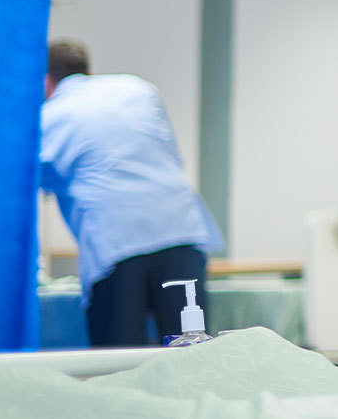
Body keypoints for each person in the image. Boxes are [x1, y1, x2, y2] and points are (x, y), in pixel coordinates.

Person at [40, 40, 225, 346]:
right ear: (91, 72)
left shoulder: (50, 116)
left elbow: (32, 180)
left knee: (119, 360)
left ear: (46, 81)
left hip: (118, 245)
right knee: (192, 351)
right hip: (181, 229)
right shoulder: (138, 89)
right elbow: (168, 154)